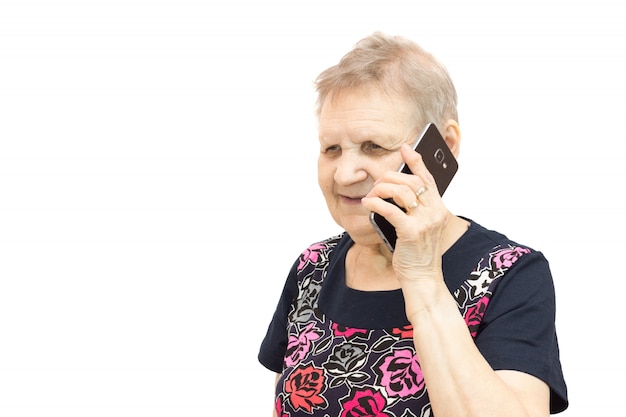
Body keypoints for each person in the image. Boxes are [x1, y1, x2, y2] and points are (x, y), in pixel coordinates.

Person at [258, 32, 568, 417]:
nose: (344, 174)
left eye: (373, 146)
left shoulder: (510, 275)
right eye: (331, 149)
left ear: (444, 146)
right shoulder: (313, 267)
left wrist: (421, 276)